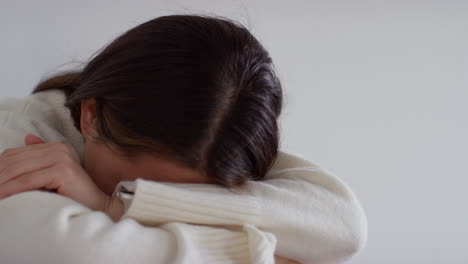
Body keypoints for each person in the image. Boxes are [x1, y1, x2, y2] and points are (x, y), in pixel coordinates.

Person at [0, 14, 367, 264]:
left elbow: (342, 224)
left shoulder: (217, 137)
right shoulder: (15, 139)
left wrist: (113, 206)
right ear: (90, 116)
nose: (156, 210)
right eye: (134, 186)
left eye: (198, 197)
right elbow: (80, 253)